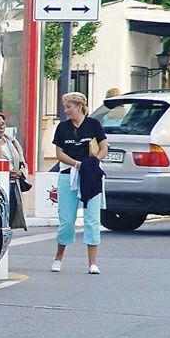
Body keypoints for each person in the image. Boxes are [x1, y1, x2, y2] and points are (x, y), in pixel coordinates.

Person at [51, 92, 108, 274]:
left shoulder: (93, 125)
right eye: (65, 107)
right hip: (69, 173)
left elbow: (103, 147)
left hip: (90, 175)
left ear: (79, 107)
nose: (66, 110)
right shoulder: (62, 128)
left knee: (92, 219)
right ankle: (58, 257)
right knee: (67, 220)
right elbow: (59, 154)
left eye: (69, 107)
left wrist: (94, 162)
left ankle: (92, 262)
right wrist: (77, 164)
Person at [0, 112, 28, 231]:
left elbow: (23, 163)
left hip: (14, 184)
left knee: (10, 216)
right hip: (0, 184)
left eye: (3, 124)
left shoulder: (12, 141)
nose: (2, 127)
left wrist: (20, 172)